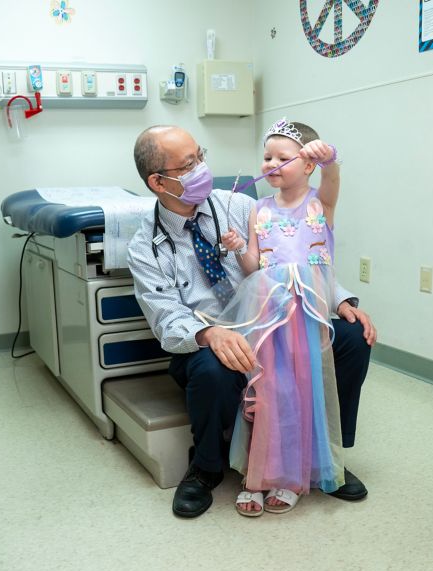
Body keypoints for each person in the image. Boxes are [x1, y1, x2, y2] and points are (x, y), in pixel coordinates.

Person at [127, 125, 376, 519]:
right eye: (189, 164)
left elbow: (294, 253)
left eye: (201, 156)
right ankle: (206, 468)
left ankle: (325, 454)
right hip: (207, 336)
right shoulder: (145, 247)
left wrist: (342, 299)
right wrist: (210, 333)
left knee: (351, 337)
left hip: (271, 322)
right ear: (158, 182)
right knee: (214, 367)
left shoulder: (240, 206)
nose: (202, 169)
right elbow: (165, 317)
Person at [213, 117, 347, 516]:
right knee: (269, 391)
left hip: (304, 315)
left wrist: (331, 159)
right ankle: (258, 477)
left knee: (302, 392)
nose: (271, 163)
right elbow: (255, 267)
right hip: (267, 313)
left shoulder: (319, 204)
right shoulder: (259, 209)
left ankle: (291, 476)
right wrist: (238, 247)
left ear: (307, 165)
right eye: (266, 156)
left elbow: (333, 179)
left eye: (282, 157)